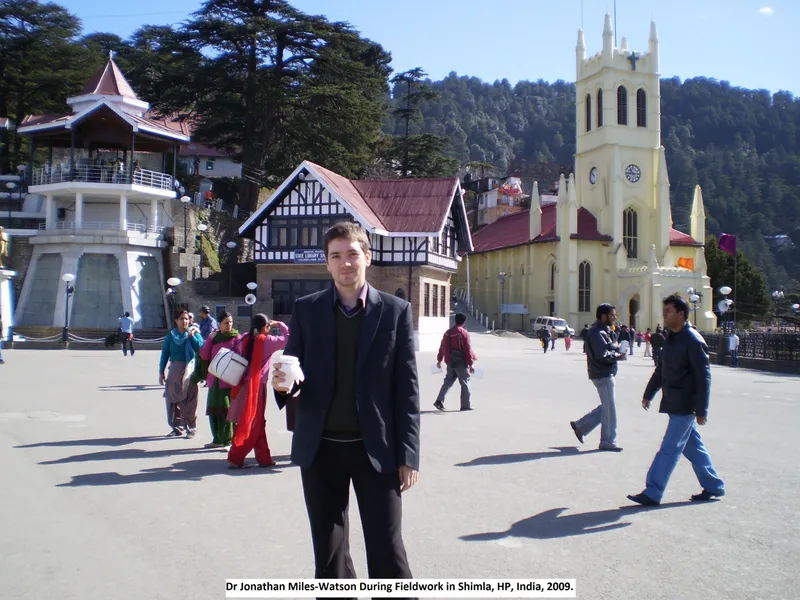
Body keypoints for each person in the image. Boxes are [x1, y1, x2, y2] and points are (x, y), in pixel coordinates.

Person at [271, 221, 420, 583]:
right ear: (326, 263)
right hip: (321, 449)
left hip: (377, 450)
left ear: (367, 257)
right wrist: (280, 385)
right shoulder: (307, 310)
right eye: (336, 256)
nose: (345, 263)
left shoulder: (395, 311)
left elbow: (408, 389)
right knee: (329, 549)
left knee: (387, 547)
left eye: (353, 254)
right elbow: (293, 374)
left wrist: (408, 455)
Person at [627, 295, 725, 506]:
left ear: (681, 314)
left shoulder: (693, 340)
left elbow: (703, 377)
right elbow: (662, 369)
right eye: (664, 311)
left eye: (669, 311)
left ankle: (653, 491)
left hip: (685, 405)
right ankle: (714, 485)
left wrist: (702, 409)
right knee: (693, 448)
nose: (664, 315)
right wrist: (649, 393)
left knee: (669, 448)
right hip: (673, 401)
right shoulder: (671, 338)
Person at [226, 313, 289, 468]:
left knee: (255, 421)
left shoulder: (244, 338)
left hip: (242, 384)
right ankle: (236, 456)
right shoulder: (266, 341)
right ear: (265, 327)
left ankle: (264, 458)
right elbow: (288, 338)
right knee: (253, 422)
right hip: (256, 388)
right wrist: (280, 324)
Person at [570, 303, 627, 452]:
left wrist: (617, 349)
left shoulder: (604, 331)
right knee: (610, 409)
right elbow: (602, 355)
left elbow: (608, 347)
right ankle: (608, 441)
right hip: (602, 373)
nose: (615, 317)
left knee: (608, 407)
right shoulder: (596, 333)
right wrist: (618, 356)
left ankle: (581, 426)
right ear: (604, 315)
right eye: (612, 314)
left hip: (605, 372)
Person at [196, 311, 240, 449]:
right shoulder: (214, 339)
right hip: (214, 381)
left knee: (227, 412)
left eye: (231, 322)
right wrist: (209, 339)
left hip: (229, 381)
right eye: (226, 323)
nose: (229, 325)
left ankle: (228, 441)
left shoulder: (236, 338)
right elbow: (203, 355)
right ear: (219, 324)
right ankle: (217, 439)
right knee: (214, 412)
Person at [159, 310, 203, 438]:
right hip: (174, 370)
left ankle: (191, 427)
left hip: (190, 370)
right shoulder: (171, 336)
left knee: (190, 399)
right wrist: (161, 372)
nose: (185, 321)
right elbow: (165, 354)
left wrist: (192, 337)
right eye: (182, 319)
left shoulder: (194, 333)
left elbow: (201, 348)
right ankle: (176, 427)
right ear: (176, 321)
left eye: (187, 319)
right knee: (172, 399)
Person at [434, 312, 476, 411]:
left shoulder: (447, 333)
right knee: (465, 382)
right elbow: (467, 349)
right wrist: (471, 364)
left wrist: (439, 360)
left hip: (450, 361)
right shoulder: (463, 333)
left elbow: (442, 347)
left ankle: (439, 400)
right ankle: (465, 405)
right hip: (460, 362)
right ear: (463, 322)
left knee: (448, 381)